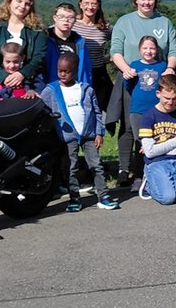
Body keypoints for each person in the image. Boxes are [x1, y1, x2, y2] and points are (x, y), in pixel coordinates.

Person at [109, 0, 176, 188]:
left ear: (155, 0)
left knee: (155, 125)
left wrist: (170, 68)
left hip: (158, 80)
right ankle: (124, 169)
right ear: (135, 1)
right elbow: (115, 51)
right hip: (131, 80)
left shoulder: (164, 22)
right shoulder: (125, 22)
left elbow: (173, 51)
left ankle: (149, 168)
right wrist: (125, 69)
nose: (146, 2)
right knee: (129, 126)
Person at [40, 53, 119, 212]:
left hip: (89, 135)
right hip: (68, 137)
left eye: (67, 71)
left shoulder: (86, 89)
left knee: (96, 165)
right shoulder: (51, 90)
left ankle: (103, 196)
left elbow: (96, 112)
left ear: (75, 71)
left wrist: (99, 133)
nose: (62, 74)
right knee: (71, 168)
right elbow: (42, 107)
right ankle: (74, 198)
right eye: (59, 70)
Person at [137, 74, 176, 205]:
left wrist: (157, 149)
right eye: (166, 98)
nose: (170, 102)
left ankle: (168, 183)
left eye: (174, 98)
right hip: (156, 162)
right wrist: (175, 141)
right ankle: (149, 184)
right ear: (158, 94)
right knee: (168, 198)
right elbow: (150, 153)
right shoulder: (148, 117)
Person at [0, 0, 47, 89]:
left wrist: (22, 74)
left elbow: (39, 57)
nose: (23, 6)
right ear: (9, 2)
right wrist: (4, 77)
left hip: (30, 84)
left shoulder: (37, 31)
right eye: (19, 1)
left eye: (27, 4)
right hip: (0, 84)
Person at [126, 36, 168, 187]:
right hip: (137, 110)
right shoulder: (134, 65)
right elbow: (128, 87)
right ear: (139, 50)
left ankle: (156, 175)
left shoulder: (162, 66)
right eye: (145, 48)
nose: (148, 51)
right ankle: (138, 177)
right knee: (141, 144)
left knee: (158, 141)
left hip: (157, 110)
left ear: (156, 50)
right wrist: (127, 77)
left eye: (152, 48)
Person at [72, 0, 113, 113]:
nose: (90, 7)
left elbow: (122, 41)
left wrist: (110, 58)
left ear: (98, 5)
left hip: (98, 74)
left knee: (102, 110)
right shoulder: (72, 24)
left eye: (93, 4)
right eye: (86, 3)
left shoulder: (105, 28)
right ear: (80, 4)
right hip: (76, 74)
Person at [44, 2, 91, 85]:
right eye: (61, 17)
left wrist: (85, 88)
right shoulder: (44, 39)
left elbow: (85, 71)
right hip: (48, 87)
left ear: (75, 20)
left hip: (74, 87)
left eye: (70, 17)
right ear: (55, 18)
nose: (66, 20)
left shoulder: (80, 43)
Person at [0, 42, 37, 108]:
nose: (12, 66)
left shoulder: (26, 77)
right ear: (1, 59)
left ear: (22, 58)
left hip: (19, 110)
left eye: (16, 62)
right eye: (8, 62)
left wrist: (31, 92)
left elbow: (34, 91)